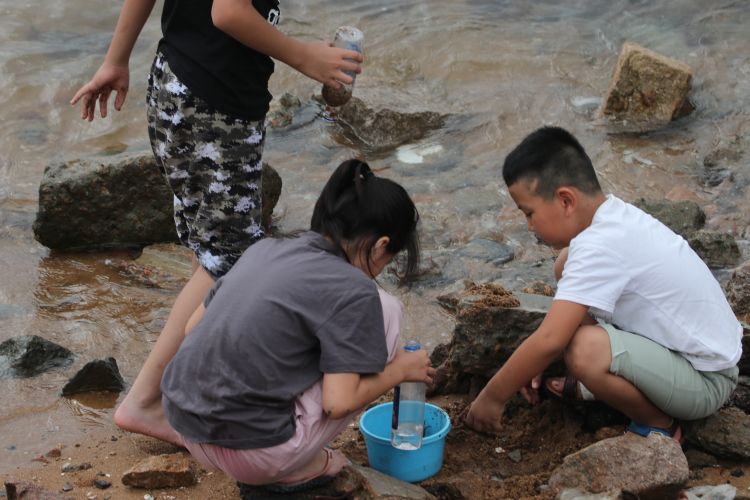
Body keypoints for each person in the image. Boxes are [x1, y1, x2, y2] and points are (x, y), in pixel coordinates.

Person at [70, 0, 364, 444]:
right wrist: (305, 56)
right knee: (230, 261)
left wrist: (116, 58)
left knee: (208, 249)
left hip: (178, 88)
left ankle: (188, 390)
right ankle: (146, 402)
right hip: (213, 104)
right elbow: (228, 12)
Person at [156, 159, 433, 490]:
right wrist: (401, 370)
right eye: (389, 259)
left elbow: (192, 328)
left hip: (185, 425)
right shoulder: (355, 290)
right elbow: (337, 403)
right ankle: (295, 468)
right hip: (255, 458)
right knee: (387, 308)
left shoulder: (266, 248)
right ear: (381, 245)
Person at [465, 126, 742, 440]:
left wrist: (492, 396)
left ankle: (661, 425)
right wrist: (532, 364)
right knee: (564, 264)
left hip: (706, 381)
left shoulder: (599, 247)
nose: (529, 226)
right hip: (699, 354)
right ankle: (607, 380)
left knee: (584, 351)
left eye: (529, 213)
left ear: (566, 200)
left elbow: (551, 340)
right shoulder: (612, 215)